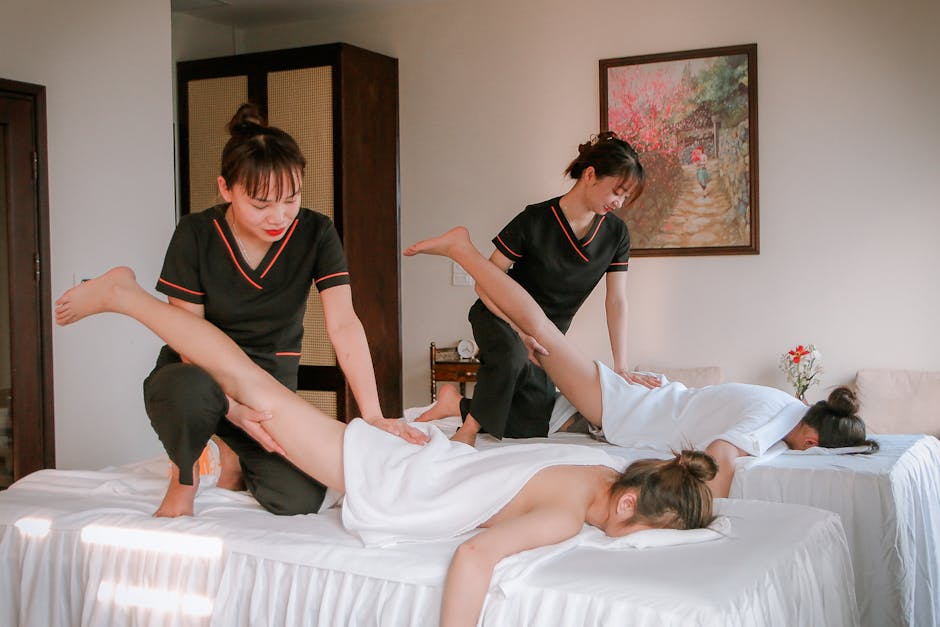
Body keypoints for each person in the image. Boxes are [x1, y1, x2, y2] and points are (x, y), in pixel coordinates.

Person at [54, 267, 717, 627]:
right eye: (637, 532)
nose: (625, 538)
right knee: (245, 382)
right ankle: (126, 294)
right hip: (386, 472)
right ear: (629, 502)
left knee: (251, 396)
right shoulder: (571, 510)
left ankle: (224, 456)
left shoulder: (604, 461)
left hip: (409, 463)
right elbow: (476, 554)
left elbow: (694, 482)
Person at [403, 227, 879, 498]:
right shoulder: (774, 418)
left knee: (534, 380)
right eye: (807, 451)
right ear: (813, 440)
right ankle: (463, 250)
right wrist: (708, 514)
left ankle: (457, 407)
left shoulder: (783, 404)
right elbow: (721, 457)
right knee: (541, 331)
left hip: (636, 404)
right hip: (624, 407)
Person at [144, 103, 425, 518]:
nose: (279, 217)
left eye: (290, 199)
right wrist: (232, 411)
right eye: (260, 205)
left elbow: (344, 324)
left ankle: (237, 459)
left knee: (298, 499)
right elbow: (188, 336)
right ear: (226, 189)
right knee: (188, 390)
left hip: (267, 384)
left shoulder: (315, 232)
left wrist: (373, 415)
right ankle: (183, 479)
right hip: (197, 379)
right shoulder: (196, 234)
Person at [419, 132, 660, 446]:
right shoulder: (534, 220)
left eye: (626, 198)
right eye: (617, 191)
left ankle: (455, 404)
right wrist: (522, 333)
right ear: (590, 175)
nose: (619, 203)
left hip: (548, 338)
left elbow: (616, 300)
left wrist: (622, 366)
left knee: (532, 423)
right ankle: (466, 433)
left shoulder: (616, 234)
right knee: (511, 357)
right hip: (498, 314)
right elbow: (485, 282)